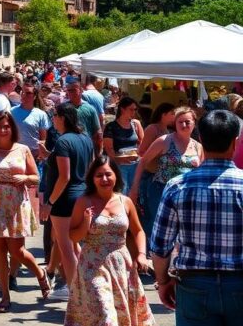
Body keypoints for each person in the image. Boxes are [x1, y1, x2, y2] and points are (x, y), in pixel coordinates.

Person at [151, 110, 243, 325]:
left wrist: (163, 281)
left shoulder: (177, 186)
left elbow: (160, 245)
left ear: (201, 139)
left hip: (194, 285)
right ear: (235, 142)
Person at [65, 155, 153, 326]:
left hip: (122, 266)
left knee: (120, 315)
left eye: (108, 174)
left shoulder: (125, 202)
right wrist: (85, 223)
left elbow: (139, 231)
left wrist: (142, 255)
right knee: (106, 317)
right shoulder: (83, 202)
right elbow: (73, 236)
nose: (104, 179)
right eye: (99, 175)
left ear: (116, 176)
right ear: (92, 179)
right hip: (93, 267)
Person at [0, 111, 49, 312]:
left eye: (7, 126)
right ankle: (5, 296)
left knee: (17, 250)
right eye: (0, 126)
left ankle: (40, 274)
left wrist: (25, 179)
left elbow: (36, 177)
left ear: (12, 128)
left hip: (16, 203)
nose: (3, 130)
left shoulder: (23, 149)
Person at [40, 102, 95, 302]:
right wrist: (49, 157)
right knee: (73, 243)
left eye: (55, 115)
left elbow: (64, 176)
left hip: (64, 199)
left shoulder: (64, 141)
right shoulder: (85, 139)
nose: (53, 119)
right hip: (81, 195)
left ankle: (76, 294)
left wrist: (50, 202)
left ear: (62, 117)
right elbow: (88, 168)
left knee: (65, 246)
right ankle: (85, 286)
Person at [129, 106, 203, 250]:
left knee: (182, 229)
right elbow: (143, 161)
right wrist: (135, 188)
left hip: (186, 195)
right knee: (157, 226)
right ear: (174, 123)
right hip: (161, 190)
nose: (183, 125)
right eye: (180, 122)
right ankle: (150, 258)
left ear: (194, 123)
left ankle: (173, 262)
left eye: (187, 122)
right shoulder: (165, 141)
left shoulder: (198, 147)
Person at [11, 82, 50, 216]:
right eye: (22, 92)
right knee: (17, 184)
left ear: (34, 96)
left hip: (34, 156)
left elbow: (43, 137)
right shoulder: (11, 112)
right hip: (16, 155)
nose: (24, 95)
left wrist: (41, 150)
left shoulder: (40, 114)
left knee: (34, 186)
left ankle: (32, 214)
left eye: (28, 93)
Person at [102, 97, 143, 192]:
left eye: (135, 109)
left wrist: (138, 154)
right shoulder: (111, 127)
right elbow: (109, 149)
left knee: (134, 191)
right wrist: (118, 159)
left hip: (134, 165)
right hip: (118, 166)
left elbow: (142, 143)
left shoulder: (136, 124)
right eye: (131, 109)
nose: (134, 112)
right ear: (122, 109)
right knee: (121, 191)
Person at [64, 80, 102, 152]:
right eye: (69, 90)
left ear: (81, 90)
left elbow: (97, 132)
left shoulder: (90, 109)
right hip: (68, 148)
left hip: (86, 148)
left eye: (73, 90)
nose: (71, 93)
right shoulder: (63, 109)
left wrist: (98, 152)